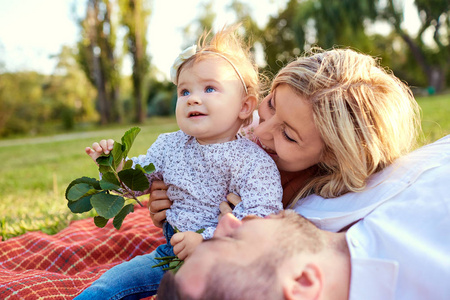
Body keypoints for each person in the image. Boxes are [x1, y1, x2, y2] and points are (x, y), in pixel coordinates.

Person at [75, 25, 283, 299]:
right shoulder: (169, 144)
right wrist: (114, 162)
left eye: (210, 88)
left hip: (226, 261)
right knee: (111, 284)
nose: (192, 98)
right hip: (170, 253)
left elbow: (263, 214)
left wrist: (208, 240)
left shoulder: (253, 161)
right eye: (184, 92)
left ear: (245, 106)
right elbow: (139, 181)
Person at [157, 134, 450, 300]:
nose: (226, 221)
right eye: (230, 239)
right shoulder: (434, 266)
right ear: (303, 282)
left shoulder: (304, 212)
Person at [149, 46, 420, 224]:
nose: (260, 129)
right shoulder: (237, 126)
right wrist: (171, 205)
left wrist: (248, 232)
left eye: (288, 136)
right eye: (271, 104)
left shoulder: (315, 207)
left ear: (334, 158)